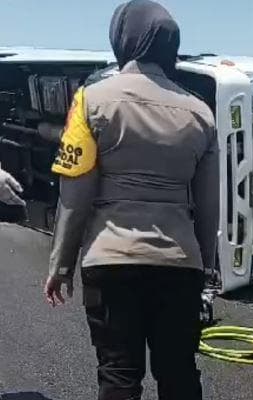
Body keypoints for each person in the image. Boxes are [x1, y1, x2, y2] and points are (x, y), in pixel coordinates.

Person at [43, 1, 218, 399]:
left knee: (119, 372)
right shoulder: (201, 112)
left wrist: (61, 265)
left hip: (110, 258)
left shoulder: (90, 100)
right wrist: (204, 267)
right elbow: (208, 203)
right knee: (178, 371)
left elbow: (75, 191)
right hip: (179, 262)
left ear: (123, 38)